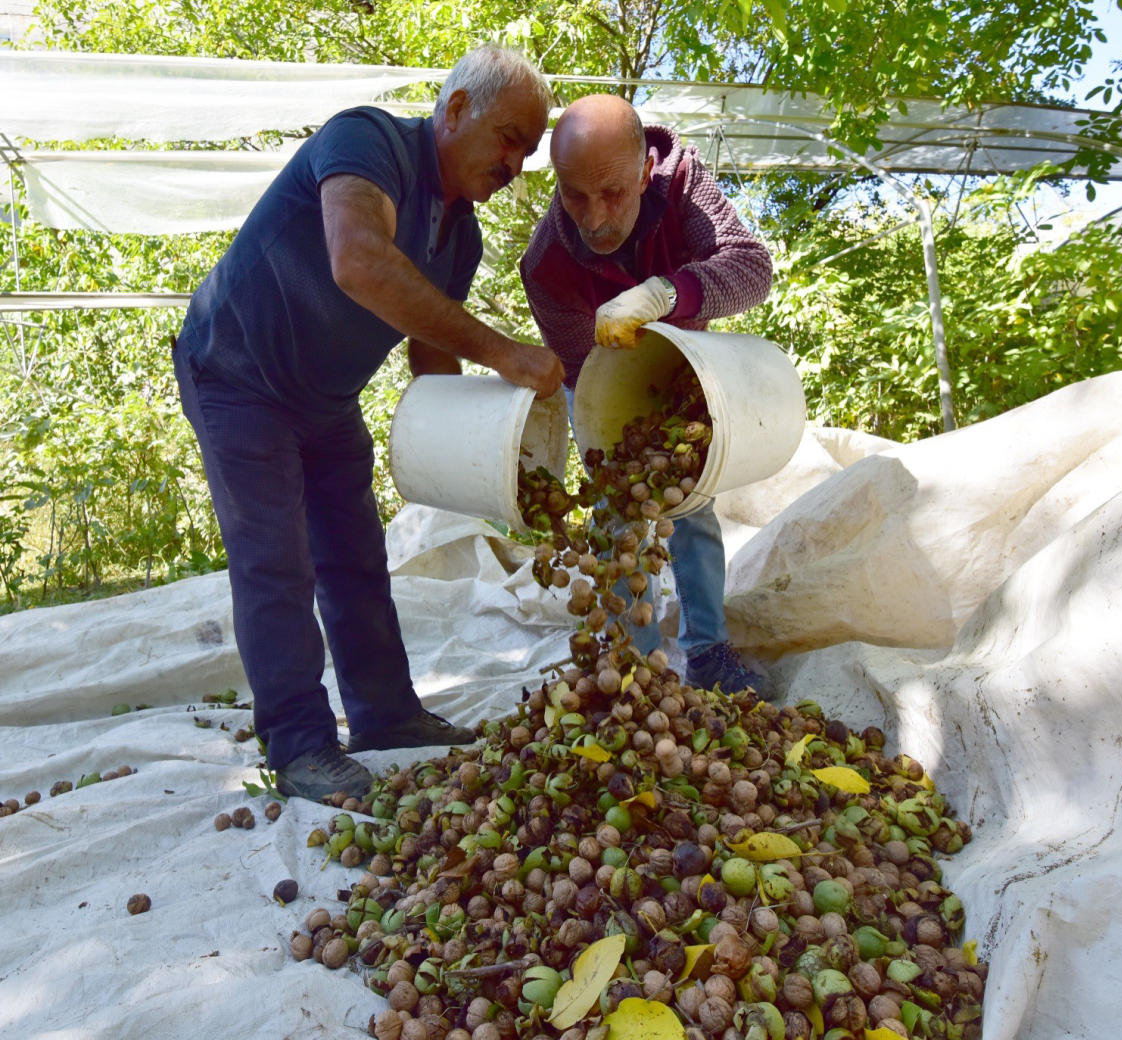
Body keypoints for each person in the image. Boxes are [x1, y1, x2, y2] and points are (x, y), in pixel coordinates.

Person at [174, 45, 563, 801]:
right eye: (509, 138)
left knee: (355, 555)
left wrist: (495, 455)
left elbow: (432, 365)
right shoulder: (368, 141)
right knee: (276, 560)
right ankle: (299, 746)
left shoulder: (460, 240)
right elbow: (358, 259)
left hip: (326, 399)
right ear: (455, 110)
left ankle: (385, 714)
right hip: (238, 375)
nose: (516, 164)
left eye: (528, 151)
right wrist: (504, 351)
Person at [520, 93, 773, 697]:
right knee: (618, 515)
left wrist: (666, 292)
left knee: (692, 506)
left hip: (689, 371)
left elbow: (752, 268)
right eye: (576, 195)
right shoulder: (547, 265)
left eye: (613, 193)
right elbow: (587, 378)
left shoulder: (684, 184)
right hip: (611, 387)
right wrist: (622, 446)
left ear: (643, 171)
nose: (596, 217)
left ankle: (708, 649)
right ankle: (630, 661)